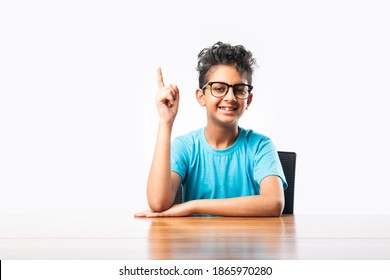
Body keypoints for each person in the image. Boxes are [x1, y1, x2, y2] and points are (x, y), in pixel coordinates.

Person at [135, 42, 287, 218]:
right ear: (201, 97)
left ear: (249, 100)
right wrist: (165, 121)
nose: (230, 97)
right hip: (198, 244)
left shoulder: (261, 145)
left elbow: (274, 203)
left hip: (247, 243)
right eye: (219, 89)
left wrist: (192, 206)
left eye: (239, 90)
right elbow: (158, 203)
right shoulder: (185, 147)